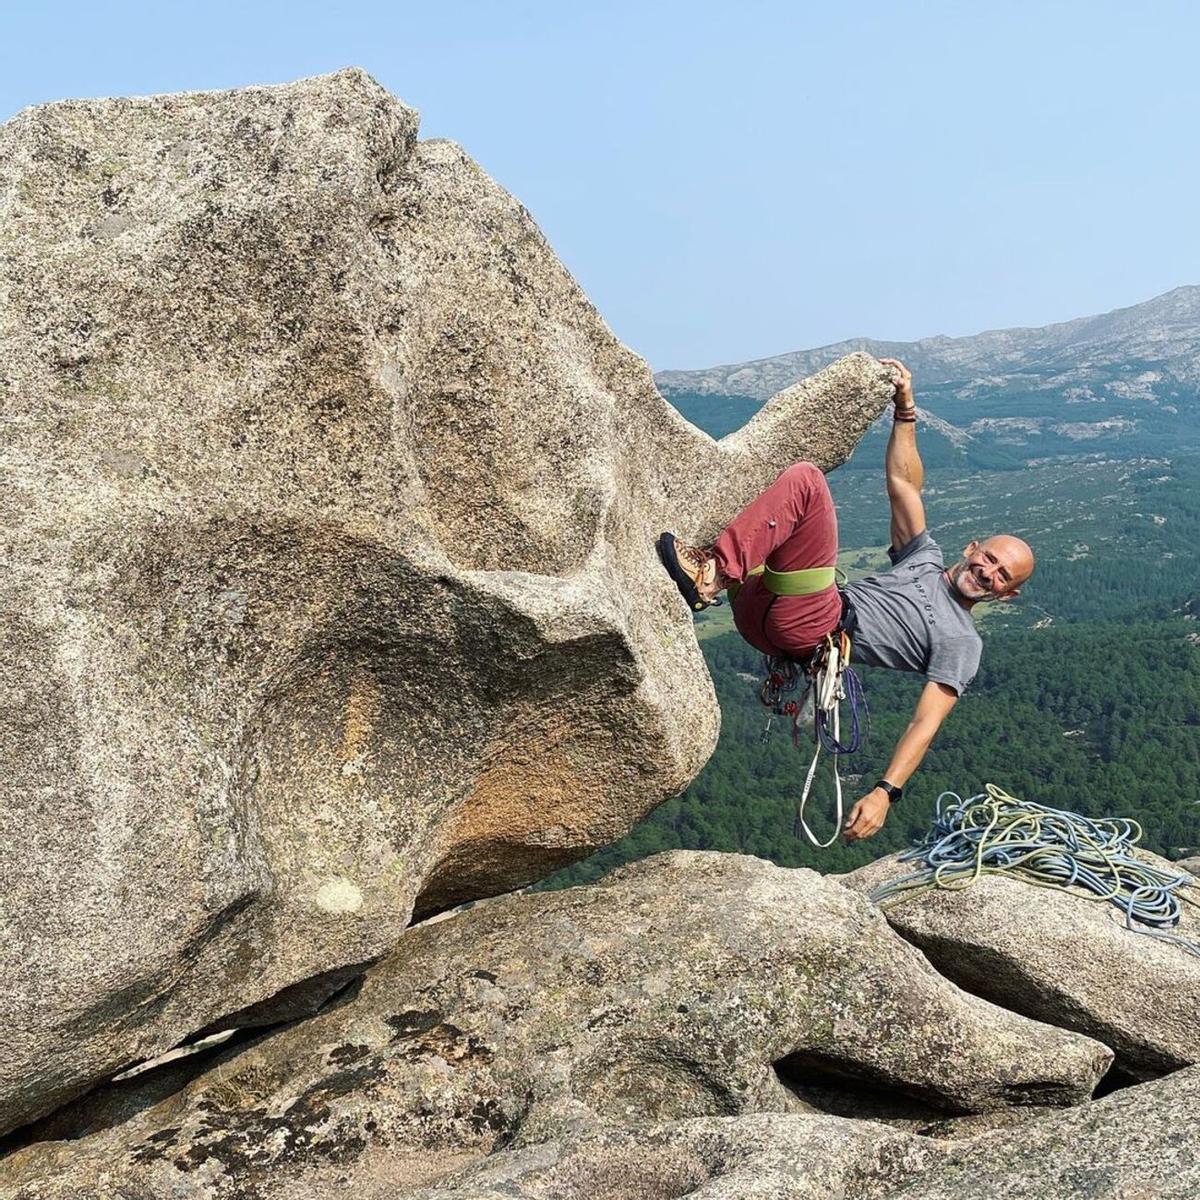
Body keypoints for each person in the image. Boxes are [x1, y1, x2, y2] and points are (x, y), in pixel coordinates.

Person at [658, 358, 1035, 842]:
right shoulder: (923, 558)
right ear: (972, 548)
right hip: (760, 613)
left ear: (1008, 595)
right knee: (765, 506)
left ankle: (710, 575)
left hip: (815, 625)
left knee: (808, 482)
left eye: (1002, 577)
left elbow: (926, 722)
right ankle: (719, 568)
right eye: (989, 559)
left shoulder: (962, 641)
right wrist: (905, 410)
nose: (988, 573)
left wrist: (885, 792)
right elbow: (903, 484)